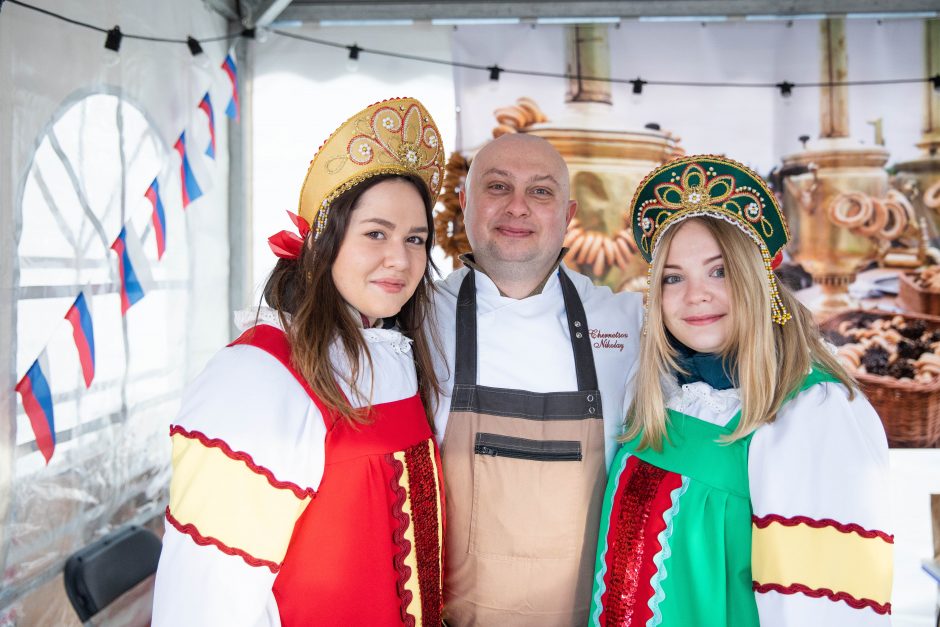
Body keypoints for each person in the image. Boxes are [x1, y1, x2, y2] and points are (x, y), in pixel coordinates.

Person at [152, 97, 447, 626]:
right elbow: (206, 598)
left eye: (416, 239)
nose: (400, 259)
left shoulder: (398, 352)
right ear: (323, 240)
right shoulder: (257, 378)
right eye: (375, 233)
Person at [590, 155, 893, 626]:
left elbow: (826, 608)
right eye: (673, 277)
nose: (696, 295)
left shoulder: (810, 414)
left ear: (759, 280)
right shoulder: (656, 392)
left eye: (719, 271)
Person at [432, 133, 644, 625]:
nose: (518, 207)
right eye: (498, 186)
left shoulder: (630, 325)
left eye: (541, 191)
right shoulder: (413, 321)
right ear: (464, 203)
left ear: (569, 215)